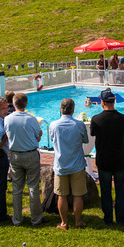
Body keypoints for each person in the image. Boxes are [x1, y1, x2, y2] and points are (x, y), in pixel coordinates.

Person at [4, 93, 44, 227]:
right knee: (33, 187)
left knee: (17, 188)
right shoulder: (31, 119)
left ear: (13, 104)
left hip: (15, 155)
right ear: (26, 104)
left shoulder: (7, 119)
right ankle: (36, 218)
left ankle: (17, 219)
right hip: (30, 154)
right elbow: (37, 138)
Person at [90, 90, 124, 226]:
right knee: (120, 190)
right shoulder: (123, 118)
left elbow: (93, 133)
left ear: (102, 102)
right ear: (114, 101)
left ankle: (108, 219)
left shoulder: (96, 119)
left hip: (103, 159)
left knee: (105, 191)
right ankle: (120, 219)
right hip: (119, 158)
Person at [50, 98, 88, 230]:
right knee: (78, 195)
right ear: (73, 109)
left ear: (61, 109)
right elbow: (85, 140)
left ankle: (64, 223)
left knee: (62, 195)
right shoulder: (79, 125)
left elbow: (52, 139)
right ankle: (78, 222)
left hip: (61, 164)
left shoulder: (54, 125)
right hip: (77, 164)